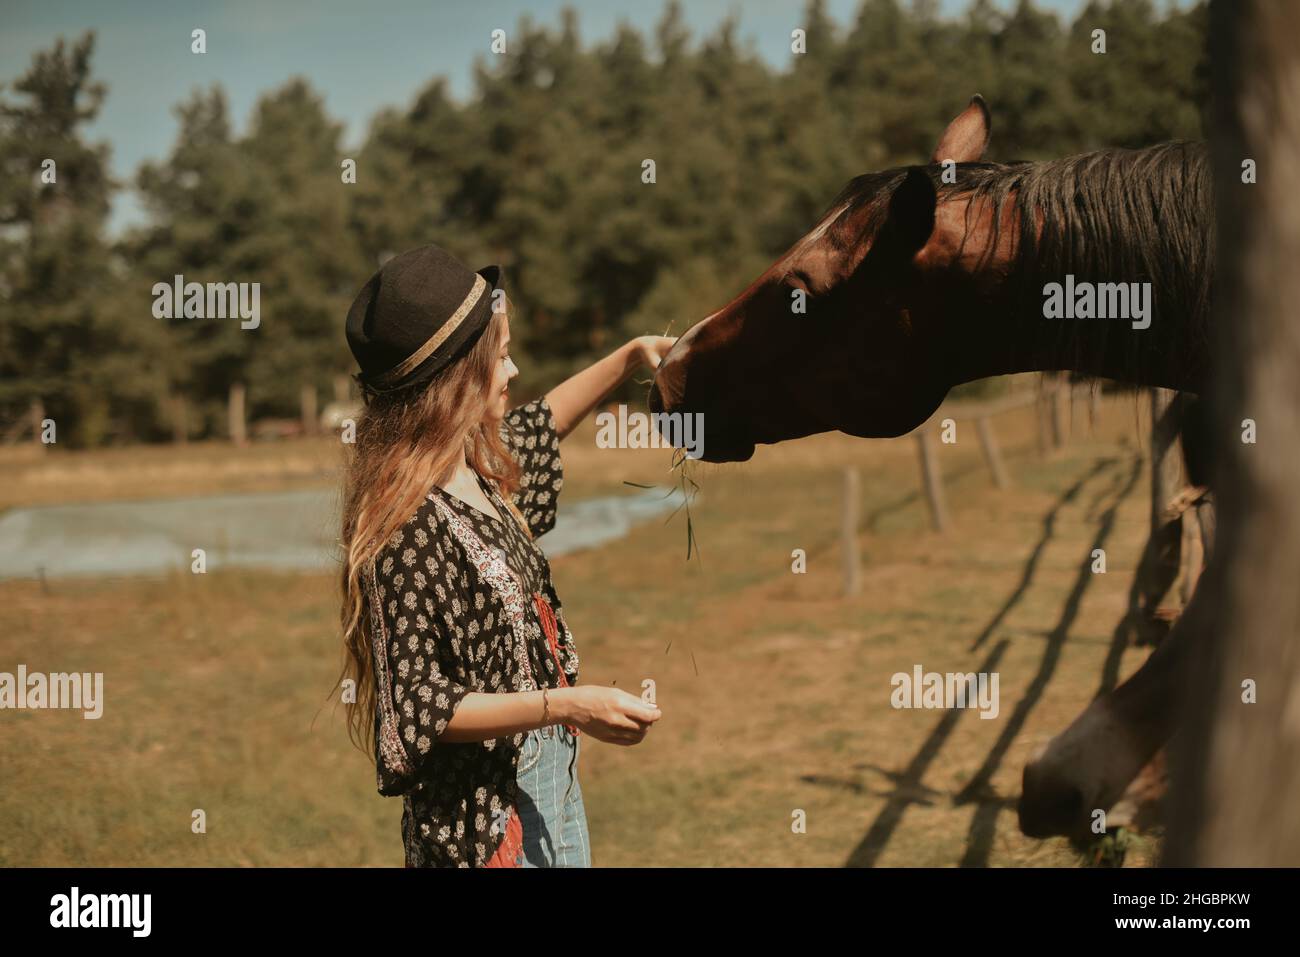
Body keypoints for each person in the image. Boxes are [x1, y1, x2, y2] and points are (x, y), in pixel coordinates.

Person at [338, 244, 669, 867]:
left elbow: (545, 423)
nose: (514, 372)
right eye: (501, 356)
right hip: (483, 825)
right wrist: (570, 702)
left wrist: (630, 356)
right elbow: (419, 707)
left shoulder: (475, 466)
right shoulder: (405, 528)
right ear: (456, 378)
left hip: (547, 776)